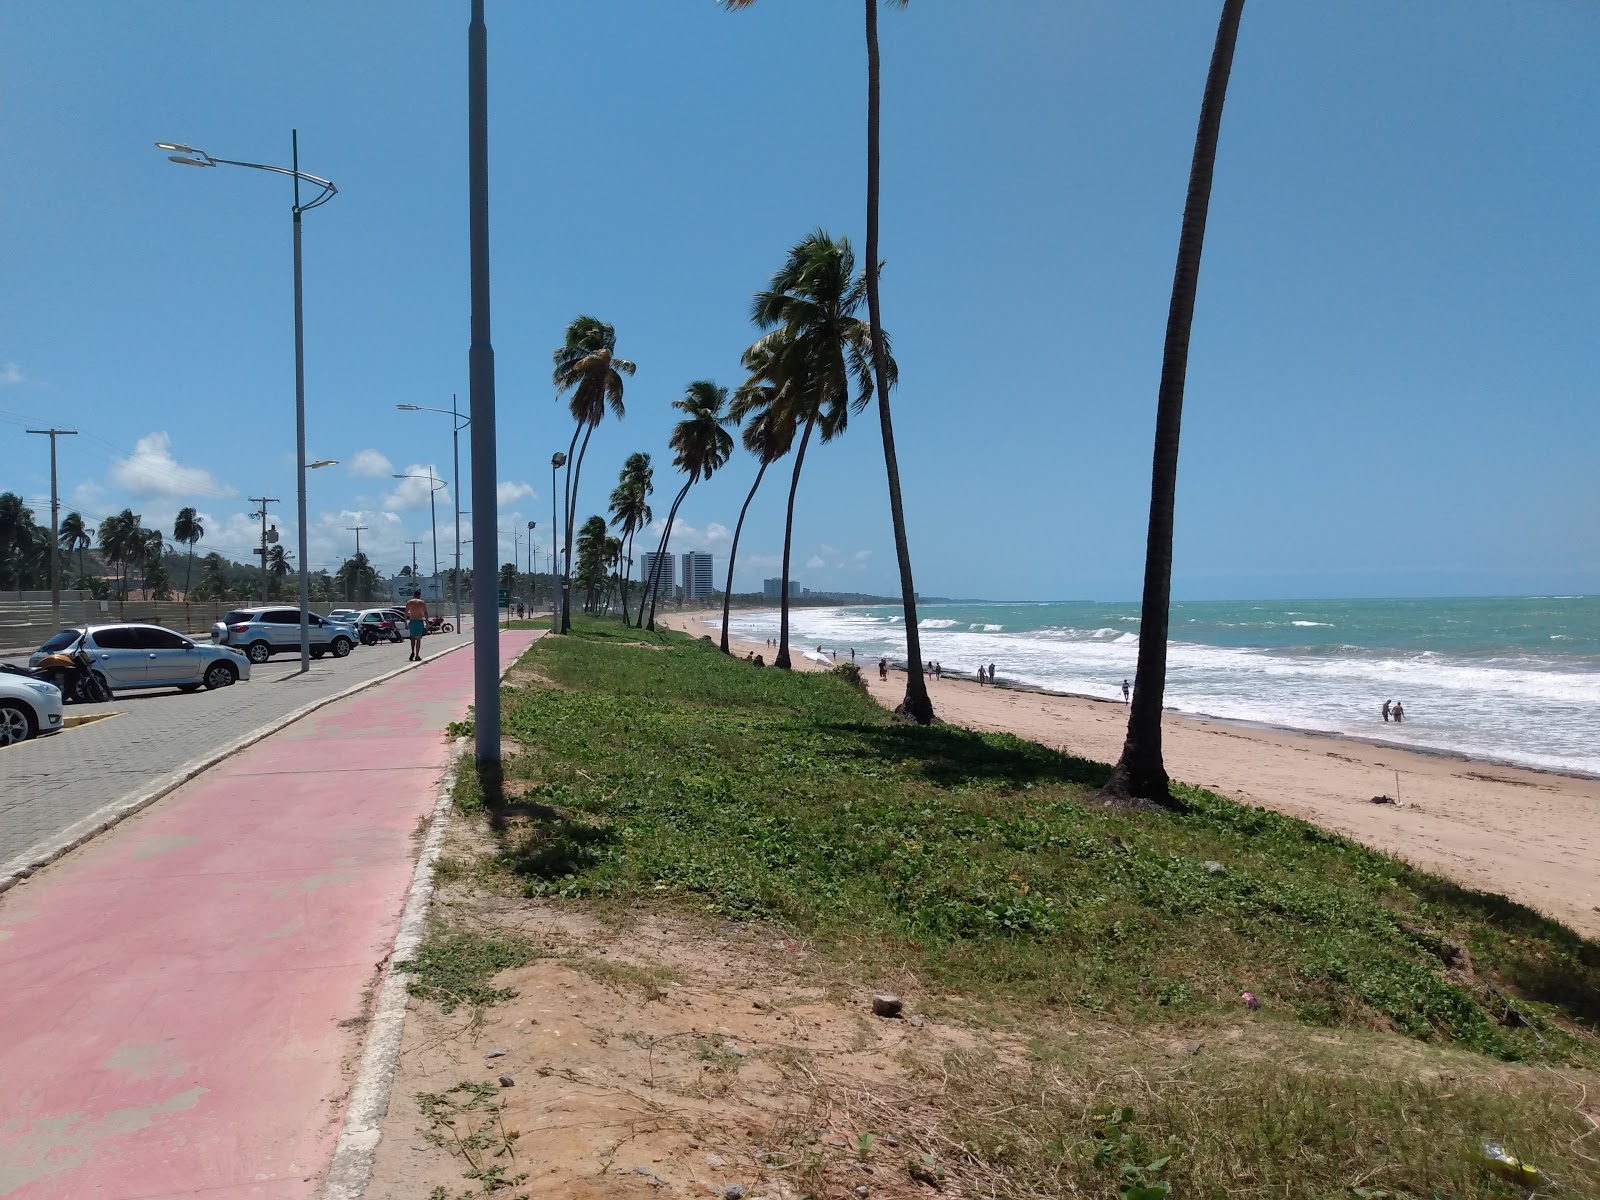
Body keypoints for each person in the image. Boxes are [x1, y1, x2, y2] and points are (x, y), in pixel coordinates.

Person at [405, 589, 429, 661]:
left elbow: (405, 613)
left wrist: (405, 623)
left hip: (412, 621)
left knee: (412, 638)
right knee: (418, 639)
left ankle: (412, 651)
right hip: (419, 621)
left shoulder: (409, 602)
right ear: (419, 595)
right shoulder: (422, 603)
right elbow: (425, 613)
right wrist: (427, 623)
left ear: (413, 595)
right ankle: (417, 655)